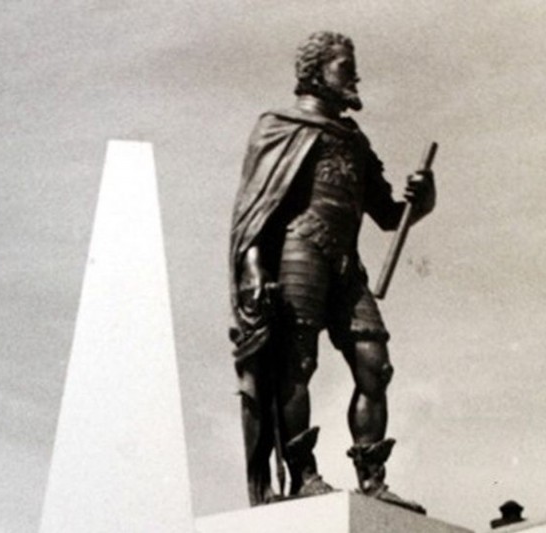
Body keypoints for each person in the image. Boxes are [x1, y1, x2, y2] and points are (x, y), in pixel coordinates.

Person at [228, 31, 436, 513]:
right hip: (299, 253)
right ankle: (303, 475)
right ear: (316, 71)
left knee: (374, 364)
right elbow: (253, 214)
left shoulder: (353, 140)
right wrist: (256, 269)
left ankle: (373, 479)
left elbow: (388, 214)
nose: (354, 76)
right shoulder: (278, 127)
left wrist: (422, 198)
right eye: (345, 66)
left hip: (346, 264)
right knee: (297, 365)